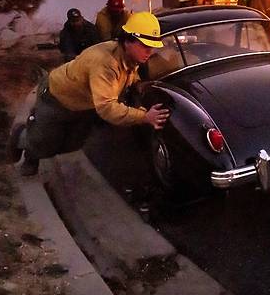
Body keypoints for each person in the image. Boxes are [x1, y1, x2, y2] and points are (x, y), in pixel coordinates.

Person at [17, 12, 170, 176]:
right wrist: (144, 117)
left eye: (152, 46)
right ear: (127, 40)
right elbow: (106, 108)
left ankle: (39, 138)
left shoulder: (129, 55)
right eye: (145, 46)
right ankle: (23, 141)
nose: (150, 51)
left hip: (83, 102)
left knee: (72, 143)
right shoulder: (105, 63)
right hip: (57, 97)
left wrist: (137, 83)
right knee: (44, 142)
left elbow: (128, 74)